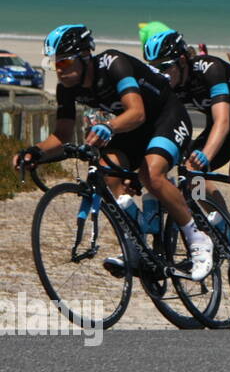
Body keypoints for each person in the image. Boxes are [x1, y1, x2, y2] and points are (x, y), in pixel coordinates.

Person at [16, 25, 211, 279]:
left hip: (166, 117)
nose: (59, 70)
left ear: (85, 56)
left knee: (152, 174)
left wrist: (108, 126)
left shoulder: (114, 64)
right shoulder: (67, 87)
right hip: (132, 128)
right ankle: (137, 242)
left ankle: (198, 240)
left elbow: (137, 111)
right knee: (106, 176)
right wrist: (34, 152)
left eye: (64, 63)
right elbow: (61, 134)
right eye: (54, 64)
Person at [144, 29, 230, 285]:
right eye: (155, 68)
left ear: (183, 60)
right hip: (220, 127)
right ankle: (222, 223)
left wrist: (206, 155)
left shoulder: (209, 68)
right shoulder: (169, 84)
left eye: (166, 67)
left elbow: (223, 121)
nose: (162, 74)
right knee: (189, 172)